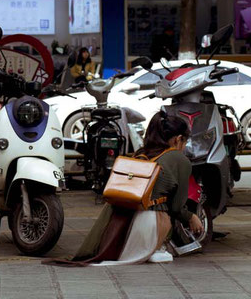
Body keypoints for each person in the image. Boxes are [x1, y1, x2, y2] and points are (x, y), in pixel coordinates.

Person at [51, 112, 202, 266]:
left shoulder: (140, 154)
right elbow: (176, 207)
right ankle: (157, 247)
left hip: (121, 225)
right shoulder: (180, 160)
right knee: (167, 214)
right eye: (184, 141)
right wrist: (191, 217)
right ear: (178, 139)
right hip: (151, 226)